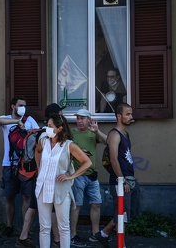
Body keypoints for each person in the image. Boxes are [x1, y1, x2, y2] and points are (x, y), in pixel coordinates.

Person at [35, 113, 92, 248]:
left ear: (59, 128)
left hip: (61, 189)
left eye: (50, 126)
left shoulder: (68, 145)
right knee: (44, 227)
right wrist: (39, 170)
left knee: (64, 228)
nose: (46, 128)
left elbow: (87, 162)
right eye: (47, 125)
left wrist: (70, 176)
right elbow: (37, 151)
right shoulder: (43, 141)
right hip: (43, 188)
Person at [16, 103, 65, 248]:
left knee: (33, 206)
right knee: (52, 209)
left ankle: (23, 236)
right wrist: (41, 170)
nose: (62, 116)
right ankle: (56, 239)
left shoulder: (43, 132)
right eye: (60, 114)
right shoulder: (47, 134)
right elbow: (42, 154)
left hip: (39, 176)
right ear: (55, 116)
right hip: (44, 178)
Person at [95, 103, 140, 248]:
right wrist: (122, 181)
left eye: (131, 114)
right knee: (121, 213)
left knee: (123, 214)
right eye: (128, 114)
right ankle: (110, 238)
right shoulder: (115, 134)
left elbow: (107, 142)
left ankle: (105, 235)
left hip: (128, 179)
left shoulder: (124, 134)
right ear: (119, 116)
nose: (131, 117)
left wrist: (97, 131)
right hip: (120, 181)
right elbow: (113, 159)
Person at [0, 96, 39, 238]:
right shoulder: (6, 118)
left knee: (27, 196)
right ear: (13, 106)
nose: (23, 108)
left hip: (26, 165)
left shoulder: (30, 120)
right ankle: (9, 226)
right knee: (9, 197)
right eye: (20, 105)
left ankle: (24, 229)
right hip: (9, 164)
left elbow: (39, 135)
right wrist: (17, 122)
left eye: (24, 105)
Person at [70, 109, 107, 247]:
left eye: (82, 118)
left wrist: (97, 131)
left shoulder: (93, 132)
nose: (79, 121)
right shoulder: (72, 134)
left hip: (92, 175)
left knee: (96, 204)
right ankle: (72, 235)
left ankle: (95, 233)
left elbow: (107, 142)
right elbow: (66, 151)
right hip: (78, 175)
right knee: (76, 206)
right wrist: (78, 153)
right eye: (78, 118)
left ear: (89, 120)